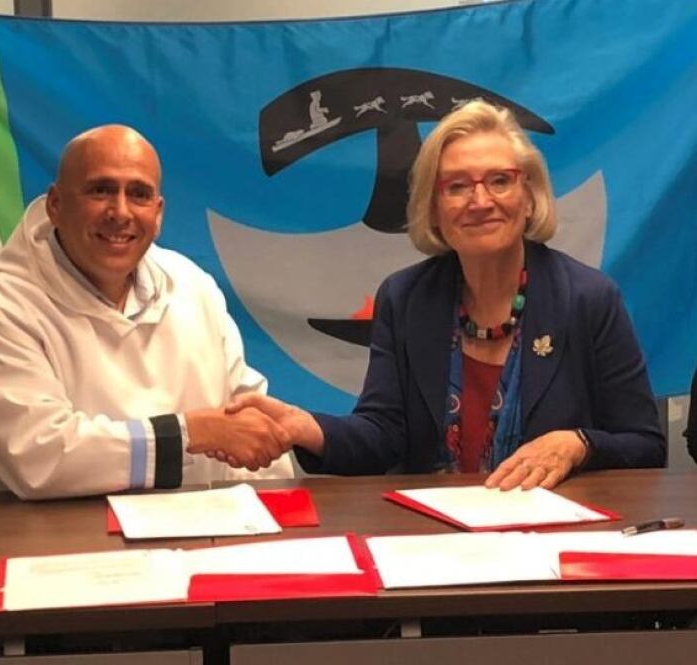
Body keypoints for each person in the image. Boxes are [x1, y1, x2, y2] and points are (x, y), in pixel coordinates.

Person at [227, 99, 665, 490]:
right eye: (456, 186)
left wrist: (578, 443)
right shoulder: (406, 298)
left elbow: (646, 445)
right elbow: (383, 436)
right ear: (433, 208)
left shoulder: (588, 298)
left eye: (499, 180)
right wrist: (307, 428)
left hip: (555, 542)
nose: (480, 200)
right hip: (434, 543)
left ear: (529, 197)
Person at [0, 124, 293, 499]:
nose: (120, 212)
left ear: (158, 212)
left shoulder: (193, 287)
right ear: (55, 204)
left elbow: (249, 419)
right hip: (63, 541)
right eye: (100, 190)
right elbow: (37, 456)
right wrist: (192, 433)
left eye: (139, 194)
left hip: (200, 533)